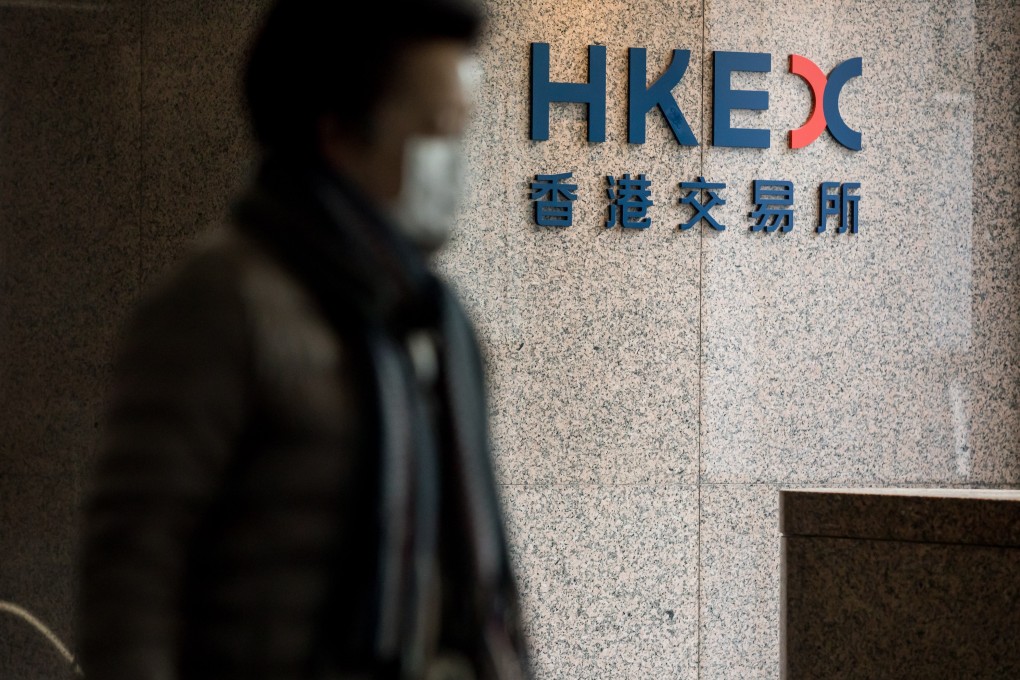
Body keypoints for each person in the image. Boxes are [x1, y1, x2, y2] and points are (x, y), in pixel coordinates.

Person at [75, 1, 533, 679]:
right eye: (438, 132)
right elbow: (132, 566)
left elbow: (485, 587)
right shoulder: (223, 299)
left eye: (467, 132)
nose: (458, 164)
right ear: (339, 132)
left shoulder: (435, 321)